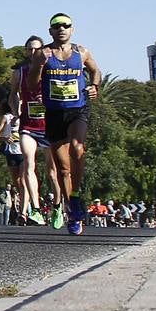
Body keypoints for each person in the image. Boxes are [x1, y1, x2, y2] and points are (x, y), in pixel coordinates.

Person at [30, 13, 102, 236]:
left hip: (77, 110)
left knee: (78, 148)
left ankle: (78, 195)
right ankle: (71, 207)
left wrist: (95, 86)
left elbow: (95, 71)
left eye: (66, 25)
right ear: (50, 31)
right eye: (56, 26)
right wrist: (39, 66)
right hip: (54, 114)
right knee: (62, 168)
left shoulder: (82, 52)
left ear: (72, 29)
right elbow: (33, 82)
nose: (61, 29)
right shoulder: (44, 54)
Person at [9, 35, 51, 224]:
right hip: (28, 125)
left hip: (50, 125)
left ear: (42, 50)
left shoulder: (51, 70)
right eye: (29, 49)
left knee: (54, 171)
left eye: (36, 49)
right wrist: (15, 110)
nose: (32, 52)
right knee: (28, 163)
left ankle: (59, 204)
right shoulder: (20, 73)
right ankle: (35, 208)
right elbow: (13, 95)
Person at [0, 106, 25, 223]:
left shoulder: (26, 115)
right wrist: (4, 138)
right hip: (11, 153)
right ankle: (24, 204)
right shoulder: (6, 117)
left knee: (23, 181)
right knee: (17, 183)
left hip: (24, 152)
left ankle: (25, 211)